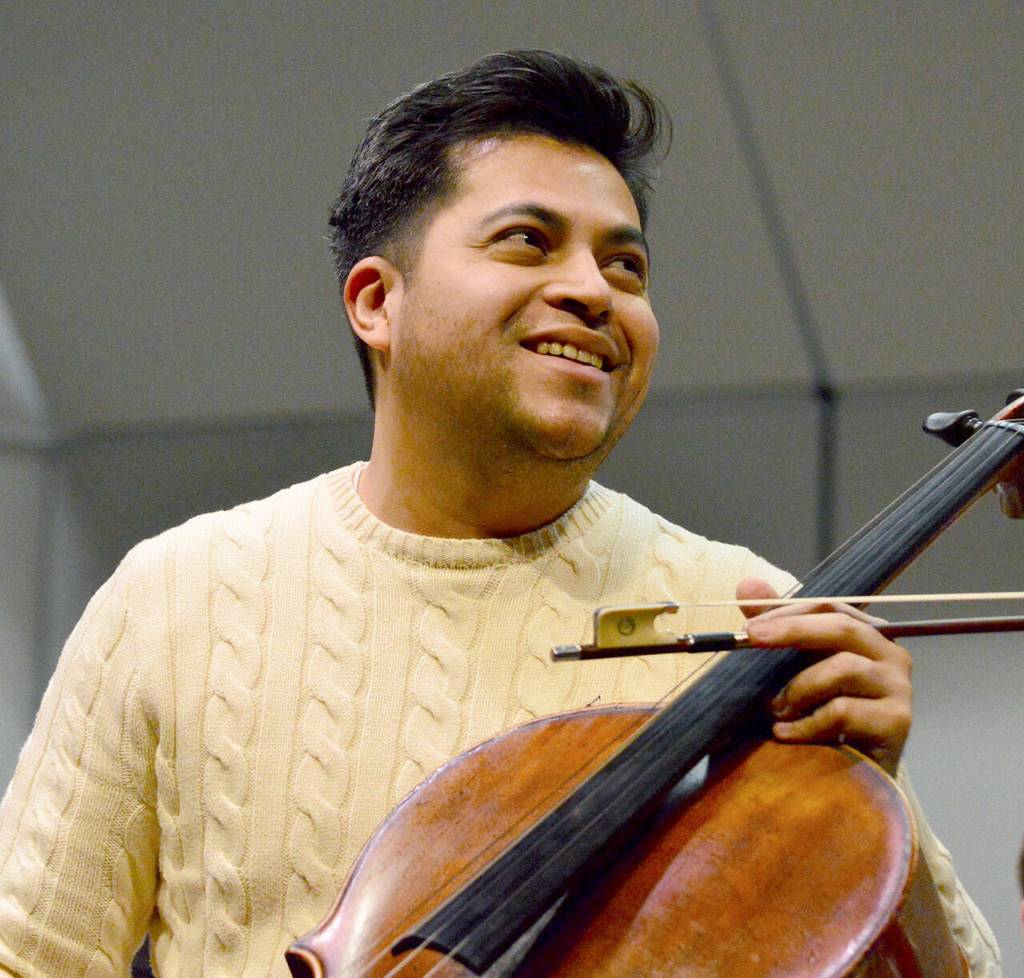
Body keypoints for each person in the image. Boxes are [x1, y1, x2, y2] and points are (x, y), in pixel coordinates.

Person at [0, 50, 1004, 978]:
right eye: (529, 242)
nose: (592, 292)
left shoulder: (751, 622)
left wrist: (865, 800)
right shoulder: (181, 598)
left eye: (626, 266)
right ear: (376, 302)